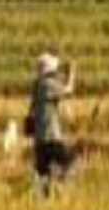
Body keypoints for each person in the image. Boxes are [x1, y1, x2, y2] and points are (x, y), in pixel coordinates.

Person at [29, 53, 78, 196]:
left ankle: (46, 203)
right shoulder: (48, 84)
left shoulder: (37, 84)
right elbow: (68, 90)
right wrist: (72, 73)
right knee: (71, 162)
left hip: (39, 139)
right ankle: (62, 186)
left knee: (44, 177)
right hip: (50, 136)